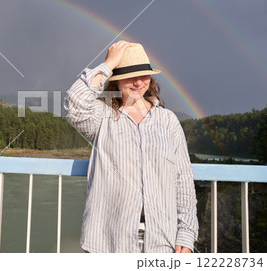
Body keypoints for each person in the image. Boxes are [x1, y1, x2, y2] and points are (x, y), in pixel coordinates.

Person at [64, 41, 198, 253]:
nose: (137, 82)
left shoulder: (168, 121)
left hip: (162, 242)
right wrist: (108, 64)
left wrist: (187, 233)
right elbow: (75, 105)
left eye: (143, 74)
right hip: (107, 241)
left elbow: (183, 182)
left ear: (151, 78)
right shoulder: (103, 116)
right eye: (129, 75)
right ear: (115, 81)